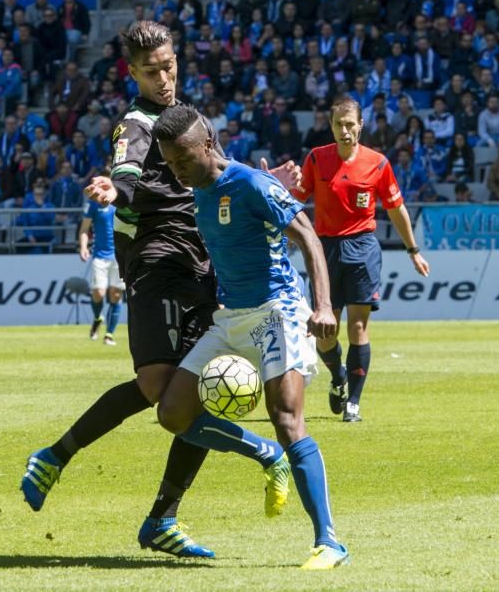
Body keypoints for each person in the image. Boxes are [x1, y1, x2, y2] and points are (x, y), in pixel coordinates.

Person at [20, 21, 300, 558]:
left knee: (190, 391)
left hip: (201, 264)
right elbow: (125, 173)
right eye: (152, 71)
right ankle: (56, 456)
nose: (164, 77)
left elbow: (219, 174)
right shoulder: (135, 123)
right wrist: (112, 187)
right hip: (157, 259)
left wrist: (270, 184)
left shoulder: (188, 120)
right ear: (133, 73)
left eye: (169, 65)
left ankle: (162, 518)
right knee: (157, 386)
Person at [147, 104, 348, 569]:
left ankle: (329, 542)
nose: (177, 172)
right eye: (170, 164)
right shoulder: (198, 188)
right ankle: (266, 455)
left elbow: (309, 238)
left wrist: (321, 306)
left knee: (287, 416)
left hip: (276, 311)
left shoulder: (252, 184)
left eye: (182, 161)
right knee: (173, 413)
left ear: (207, 145)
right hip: (231, 317)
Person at [292, 97, 430, 423]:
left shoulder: (378, 163)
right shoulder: (315, 159)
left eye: (350, 124)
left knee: (357, 326)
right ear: (331, 125)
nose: (345, 130)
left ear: (360, 125)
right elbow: (294, 202)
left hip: (363, 247)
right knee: (325, 332)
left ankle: (353, 400)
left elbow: (396, 209)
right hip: (324, 250)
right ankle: (339, 375)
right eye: (339, 124)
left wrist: (413, 250)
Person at [80, 184, 124, 347]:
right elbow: (84, 229)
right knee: (98, 293)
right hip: (99, 256)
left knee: (116, 295)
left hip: (119, 256)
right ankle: (98, 318)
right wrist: (83, 247)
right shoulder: (93, 204)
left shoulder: (121, 202)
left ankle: (109, 334)